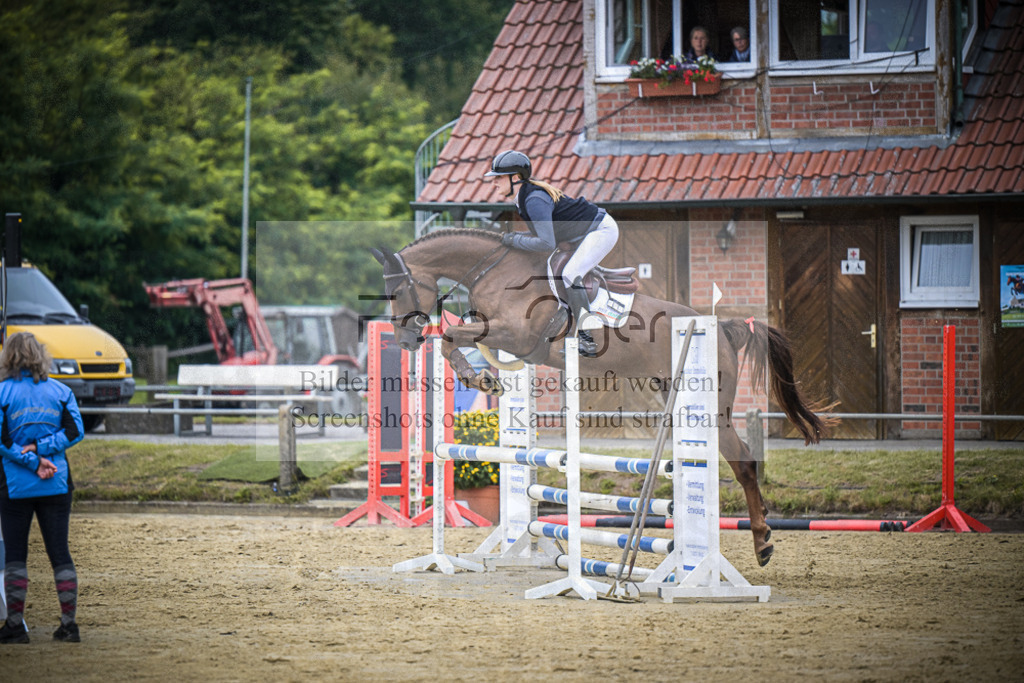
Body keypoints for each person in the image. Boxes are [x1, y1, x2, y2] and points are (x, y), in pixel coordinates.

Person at [485, 150, 620, 357]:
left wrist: (512, 239)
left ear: (515, 178)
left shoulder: (533, 200)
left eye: (499, 178)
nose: (494, 183)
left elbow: (546, 243)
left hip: (600, 230)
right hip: (581, 234)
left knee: (569, 275)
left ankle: (587, 337)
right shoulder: (523, 197)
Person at [0, 332, 84, 644]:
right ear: (41, 356)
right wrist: (44, 450)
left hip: (14, 486)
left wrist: (32, 460)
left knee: (16, 556)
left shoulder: (2, 393)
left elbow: (2, 442)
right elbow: (75, 432)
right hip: (57, 483)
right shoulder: (61, 391)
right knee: (60, 554)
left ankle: (15, 625)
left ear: (9, 357)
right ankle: (69, 625)